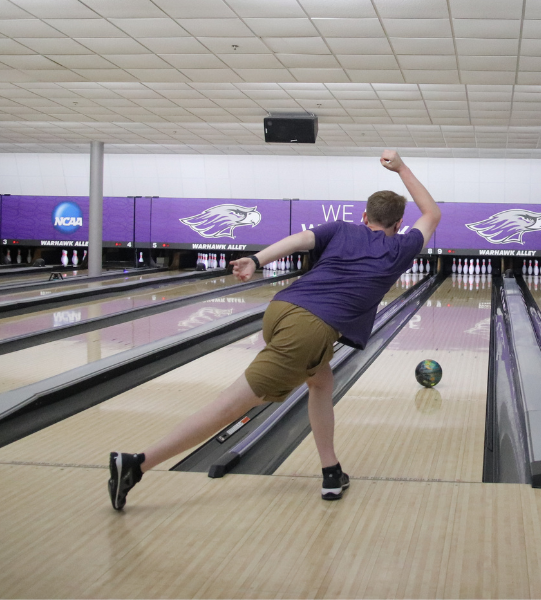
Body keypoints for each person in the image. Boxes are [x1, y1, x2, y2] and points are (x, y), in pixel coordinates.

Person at [108, 149, 441, 510]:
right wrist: (401, 168)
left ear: (364, 216)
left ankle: (331, 471)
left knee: (321, 382)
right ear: (399, 223)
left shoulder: (342, 228)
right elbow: (432, 214)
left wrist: (256, 259)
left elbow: (297, 241)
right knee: (230, 405)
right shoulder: (402, 247)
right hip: (309, 329)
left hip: (282, 309)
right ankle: (138, 464)